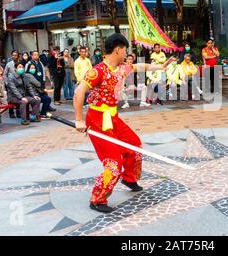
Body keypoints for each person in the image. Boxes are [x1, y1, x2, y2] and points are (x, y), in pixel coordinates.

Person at [73, 33, 173, 213]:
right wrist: (79, 120)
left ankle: (129, 177)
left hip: (112, 117)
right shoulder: (98, 71)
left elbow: (139, 66)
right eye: (125, 50)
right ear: (118, 50)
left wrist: (161, 66)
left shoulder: (122, 68)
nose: (126, 53)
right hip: (96, 119)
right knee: (113, 162)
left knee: (134, 145)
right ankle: (98, 198)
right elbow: (79, 91)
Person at [4, 50, 21, 118]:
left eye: (15, 55)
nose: (14, 56)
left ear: (18, 56)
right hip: (10, 85)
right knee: (10, 99)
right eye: (13, 55)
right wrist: (7, 83)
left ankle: (18, 112)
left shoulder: (20, 64)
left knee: (18, 97)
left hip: (18, 84)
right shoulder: (8, 64)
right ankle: (11, 113)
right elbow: (5, 75)